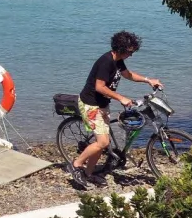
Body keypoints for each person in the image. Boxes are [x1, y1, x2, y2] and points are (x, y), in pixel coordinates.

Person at [67, 31, 163, 189]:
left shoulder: (118, 60)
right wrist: (121, 98)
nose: (131, 55)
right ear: (121, 49)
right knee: (103, 142)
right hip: (91, 104)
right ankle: (76, 165)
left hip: (102, 104)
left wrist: (148, 80)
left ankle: (89, 174)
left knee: (103, 143)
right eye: (130, 51)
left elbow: (128, 75)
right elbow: (99, 87)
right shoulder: (106, 62)